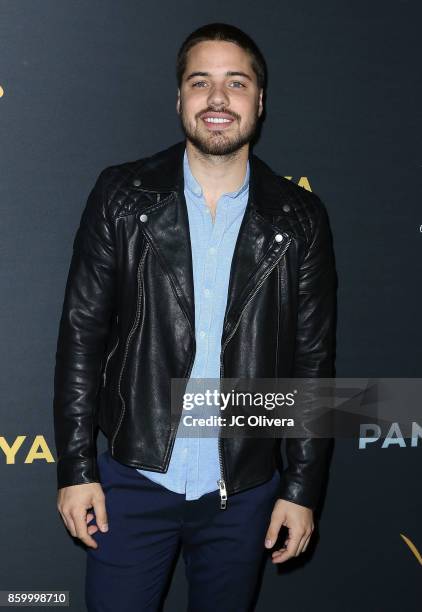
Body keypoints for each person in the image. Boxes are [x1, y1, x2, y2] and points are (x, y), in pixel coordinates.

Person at [53, 22, 337, 612]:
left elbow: (313, 363)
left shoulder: (301, 217)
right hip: (132, 482)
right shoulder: (122, 196)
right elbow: (82, 335)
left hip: (245, 493)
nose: (217, 98)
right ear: (180, 98)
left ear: (259, 102)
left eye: (235, 83)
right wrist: (77, 469)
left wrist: (302, 487)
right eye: (200, 81)